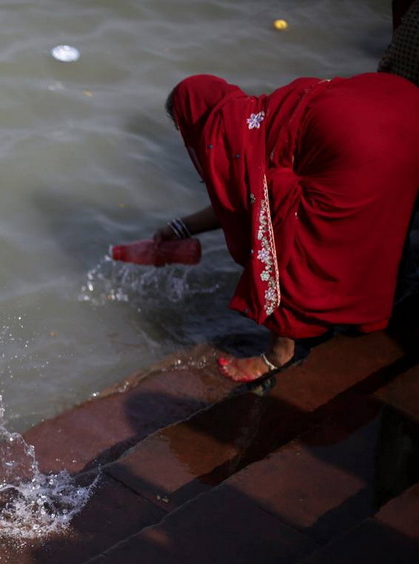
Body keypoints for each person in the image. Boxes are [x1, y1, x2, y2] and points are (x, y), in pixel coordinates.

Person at [155, 72, 419, 381]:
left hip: (356, 140)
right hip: (401, 104)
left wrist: (182, 228)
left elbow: (251, 208)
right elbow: (247, 195)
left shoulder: (228, 138)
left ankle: (277, 355)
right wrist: (180, 227)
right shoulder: (256, 115)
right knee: (382, 216)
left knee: (279, 236)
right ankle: (383, 298)